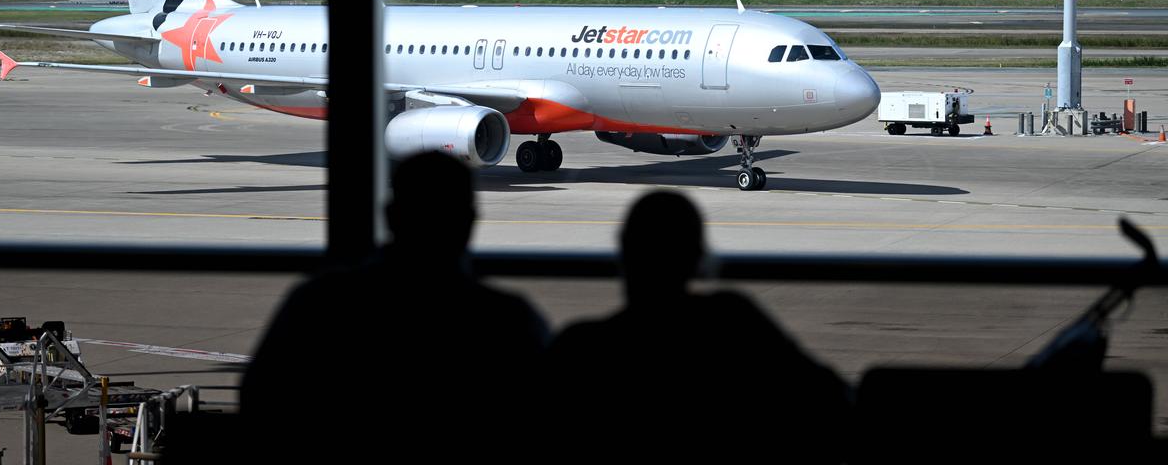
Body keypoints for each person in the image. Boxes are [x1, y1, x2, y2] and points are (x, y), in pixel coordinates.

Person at [240, 151, 549, 453]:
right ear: (470, 222)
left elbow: (260, 396)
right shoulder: (508, 320)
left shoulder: (319, 303)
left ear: (390, 215)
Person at [547, 190, 851, 459]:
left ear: (623, 253)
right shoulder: (733, 322)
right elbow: (828, 396)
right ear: (699, 258)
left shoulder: (581, 346)